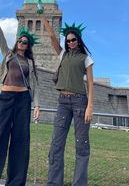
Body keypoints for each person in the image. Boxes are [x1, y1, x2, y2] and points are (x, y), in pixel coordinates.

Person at [0, 5, 40, 186]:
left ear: (28, 46)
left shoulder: (29, 62)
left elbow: (35, 84)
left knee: (20, 142)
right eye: (20, 40)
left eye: (25, 42)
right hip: (5, 99)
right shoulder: (8, 55)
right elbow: (0, 35)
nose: (22, 43)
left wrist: (37, 104)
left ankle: (16, 182)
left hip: (23, 101)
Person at [42, 16, 94, 186]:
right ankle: (54, 183)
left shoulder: (86, 58)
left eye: (73, 40)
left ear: (78, 41)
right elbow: (52, 37)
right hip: (63, 102)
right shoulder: (62, 54)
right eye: (68, 40)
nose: (70, 42)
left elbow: (91, 84)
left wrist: (90, 106)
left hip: (80, 102)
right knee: (56, 144)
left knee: (81, 145)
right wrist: (43, 17)